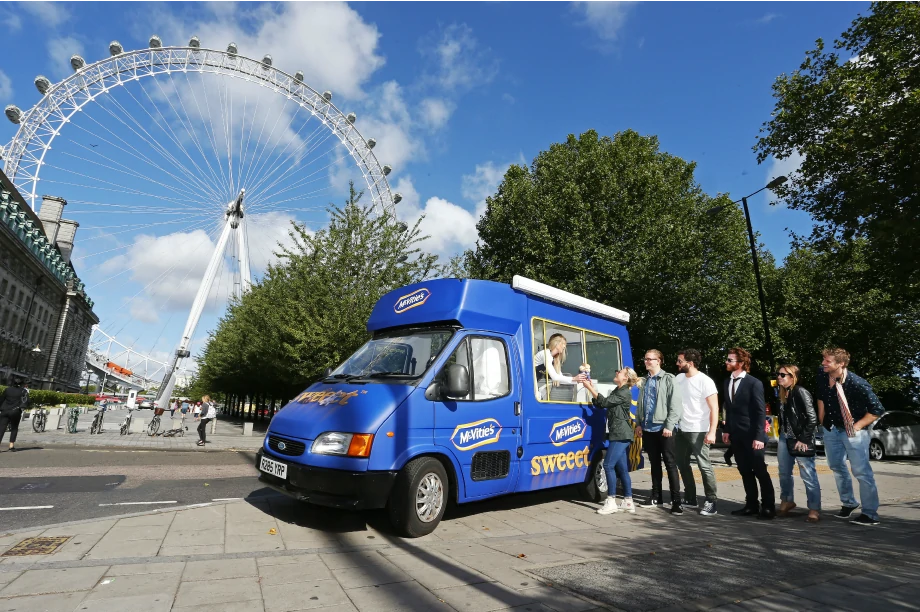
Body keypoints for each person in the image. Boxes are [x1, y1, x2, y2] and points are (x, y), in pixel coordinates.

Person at [817, 347, 885, 526]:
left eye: (827, 361)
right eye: (824, 359)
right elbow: (822, 397)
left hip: (854, 431)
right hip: (831, 429)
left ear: (841, 364)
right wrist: (822, 419)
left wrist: (856, 426)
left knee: (862, 472)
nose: (823, 363)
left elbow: (877, 410)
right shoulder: (822, 376)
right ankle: (849, 503)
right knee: (836, 466)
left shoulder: (857, 383)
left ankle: (870, 514)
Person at [722, 347, 775, 519]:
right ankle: (751, 504)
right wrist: (727, 430)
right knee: (744, 470)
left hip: (753, 436)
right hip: (736, 436)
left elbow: (761, 412)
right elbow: (729, 410)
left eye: (730, 360)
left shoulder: (754, 383)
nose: (727, 362)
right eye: (727, 359)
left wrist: (759, 436)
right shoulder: (726, 382)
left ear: (741, 363)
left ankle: (768, 507)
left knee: (760, 471)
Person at [585, 367, 640, 515]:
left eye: (620, 372)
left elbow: (604, 402)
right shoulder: (618, 390)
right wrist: (592, 389)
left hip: (621, 435)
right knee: (621, 469)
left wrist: (590, 387)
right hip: (618, 434)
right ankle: (628, 501)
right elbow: (602, 403)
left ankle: (611, 501)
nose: (616, 372)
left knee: (608, 465)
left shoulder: (624, 392)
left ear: (626, 377)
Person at [636, 349, 683, 514]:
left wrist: (670, 425)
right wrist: (638, 423)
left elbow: (675, 404)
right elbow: (641, 404)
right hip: (648, 428)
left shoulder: (668, 379)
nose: (647, 361)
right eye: (645, 359)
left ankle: (676, 501)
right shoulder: (645, 381)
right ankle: (656, 497)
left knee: (670, 464)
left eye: (651, 359)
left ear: (659, 361)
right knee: (654, 464)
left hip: (664, 428)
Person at [674, 349, 720, 516]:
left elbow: (714, 408)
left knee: (704, 465)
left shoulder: (705, 381)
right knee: (681, 462)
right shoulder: (679, 378)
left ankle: (711, 500)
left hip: (699, 430)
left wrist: (712, 431)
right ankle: (691, 497)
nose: (677, 364)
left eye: (680, 361)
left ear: (690, 363)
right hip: (681, 429)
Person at [775, 365, 821, 523]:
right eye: (778, 374)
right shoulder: (783, 393)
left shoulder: (800, 391)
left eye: (783, 374)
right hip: (784, 438)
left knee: (808, 475)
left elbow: (812, 418)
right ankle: (787, 501)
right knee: (783, 472)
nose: (779, 377)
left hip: (800, 439)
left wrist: (804, 439)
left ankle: (814, 509)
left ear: (792, 376)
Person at [0, 377, 28, 452]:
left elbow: (2, 399)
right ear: (21, 383)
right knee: (14, 428)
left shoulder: (7, 389)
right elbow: (25, 401)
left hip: (5, 410)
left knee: (1, 428)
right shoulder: (23, 391)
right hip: (15, 411)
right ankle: (11, 446)